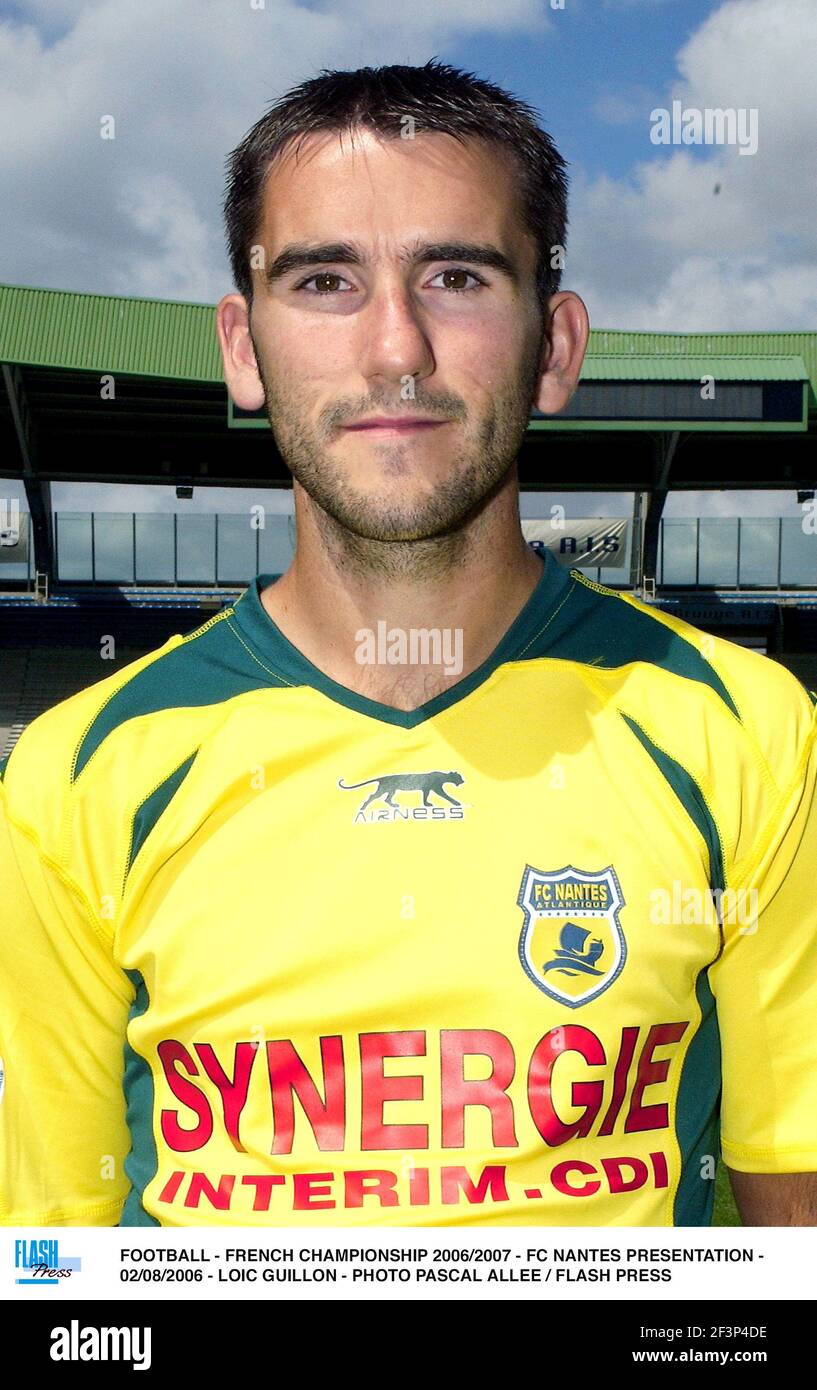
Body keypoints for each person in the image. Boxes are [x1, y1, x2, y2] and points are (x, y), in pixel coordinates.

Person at [1, 60, 816, 1229]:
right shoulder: (84, 769)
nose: (397, 348)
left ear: (554, 346)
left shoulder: (745, 732)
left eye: (457, 275)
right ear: (242, 347)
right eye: (325, 279)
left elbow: (796, 1216)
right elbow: (52, 1262)